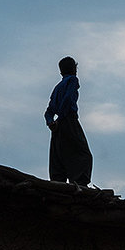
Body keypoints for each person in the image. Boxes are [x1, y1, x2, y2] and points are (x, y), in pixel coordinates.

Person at [45, 56, 93, 185]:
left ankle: (59, 182)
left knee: (59, 155)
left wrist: (51, 122)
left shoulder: (57, 88)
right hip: (69, 121)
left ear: (61, 72)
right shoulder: (73, 80)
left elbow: (48, 111)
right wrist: (62, 116)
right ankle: (80, 184)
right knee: (83, 154)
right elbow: (67, 99)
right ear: (74, 69)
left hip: (57, 127)